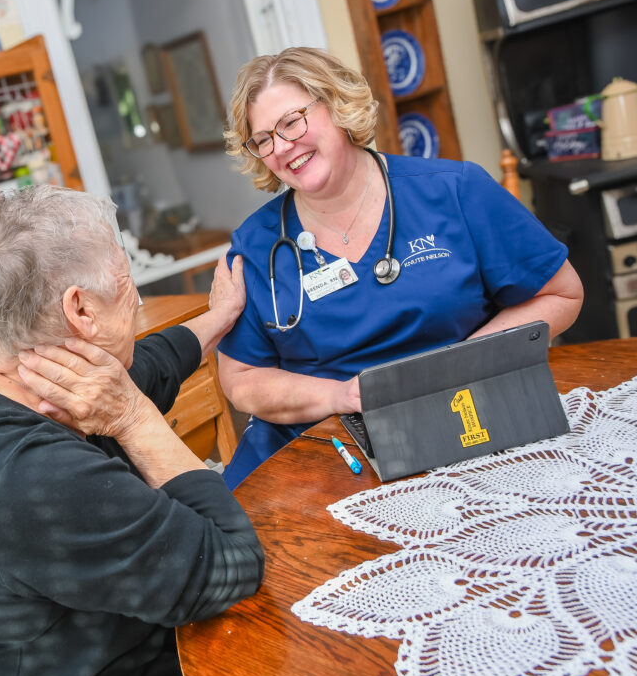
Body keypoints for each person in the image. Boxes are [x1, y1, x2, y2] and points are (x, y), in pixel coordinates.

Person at [0, 185, 264, 676]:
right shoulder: (37, 476)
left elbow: (144, 369)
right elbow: (234, 565)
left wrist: (219, 318)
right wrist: (133, 419)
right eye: (127, 282)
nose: (137, 298)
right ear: (80, 311)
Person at [217, 47, 583, 489]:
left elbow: (561, 293)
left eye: (291, 122)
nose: (281, 147)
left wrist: (459, 365)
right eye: (264, 140)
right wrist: (340, 395)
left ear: (336, 104)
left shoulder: (454, 191)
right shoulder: (256, 246)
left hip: (464, 412)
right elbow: (241, 380)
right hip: (325, 448)